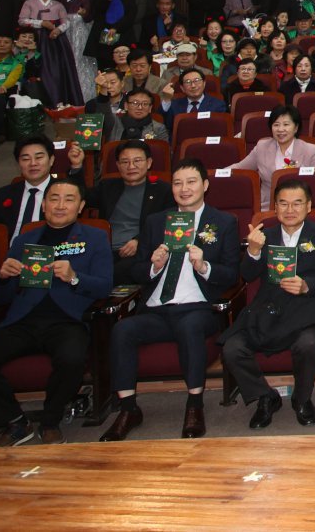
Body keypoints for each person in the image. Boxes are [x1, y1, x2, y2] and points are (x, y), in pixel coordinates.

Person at [0, 176, 112, 445]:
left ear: (80, 206)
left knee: (71, 359)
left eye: (69, 199)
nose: (60, 205)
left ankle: (50, 420)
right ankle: (15, 422)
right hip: (23, 320)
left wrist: (75, 277)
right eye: (54, 199)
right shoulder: (24, 240)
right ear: (44, 205)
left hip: (66, 320)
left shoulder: (95, 238)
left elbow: (104, 287)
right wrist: (4, 277)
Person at [100, 160, 241, 442]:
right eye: (178, 183)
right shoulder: (156, 221)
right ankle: (128, 409)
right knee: (122, 330)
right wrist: (153, 265)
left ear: (205, 185)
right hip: (157, 308)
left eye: (191, 182)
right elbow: (137, 270)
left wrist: (204, 267)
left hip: (198, 307)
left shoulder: (223, 222)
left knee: (189, 327)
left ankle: (194, 406)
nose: (184, 189)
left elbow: (231, 275)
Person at [220, 178, 315, 429]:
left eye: (297, 204)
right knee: (231, 348)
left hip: (304, 311)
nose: (290, 210)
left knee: (308, 344)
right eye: (283, 204)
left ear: (308, 206)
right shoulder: (264, 236)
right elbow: (248, 275)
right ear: (275, 207)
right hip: (267, 311)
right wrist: (253, 251)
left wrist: (308, 284)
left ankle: (302, 399)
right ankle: (266, 397)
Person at [96, 139, 177, 284]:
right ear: (118, 165)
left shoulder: (163, 190)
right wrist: (77, 167)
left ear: (149, 162)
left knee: (115, 272)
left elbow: (167, 224)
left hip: (140, 251)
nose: (131, 166)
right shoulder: (106, 187)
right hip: (105, 249)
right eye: (125, 162)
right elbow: (77, 197)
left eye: (137, 160)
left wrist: (140, 240)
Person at [243, 106, 315, 209]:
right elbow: (240, 168)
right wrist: (216, 173)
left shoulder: (310, 150)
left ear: (296, 128)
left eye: (286, 124)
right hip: (268, 207)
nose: (280, 129)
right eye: (276, 125)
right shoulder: (262, 147)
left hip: (299, 208)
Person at [0, 136, 58, 240]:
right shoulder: (5, 193)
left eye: (39, 157)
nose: (33, 163)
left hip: (48, 252)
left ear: (51, 160)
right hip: (11, 252)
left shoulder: (64, 191)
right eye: (26, 159)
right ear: (18, 164)